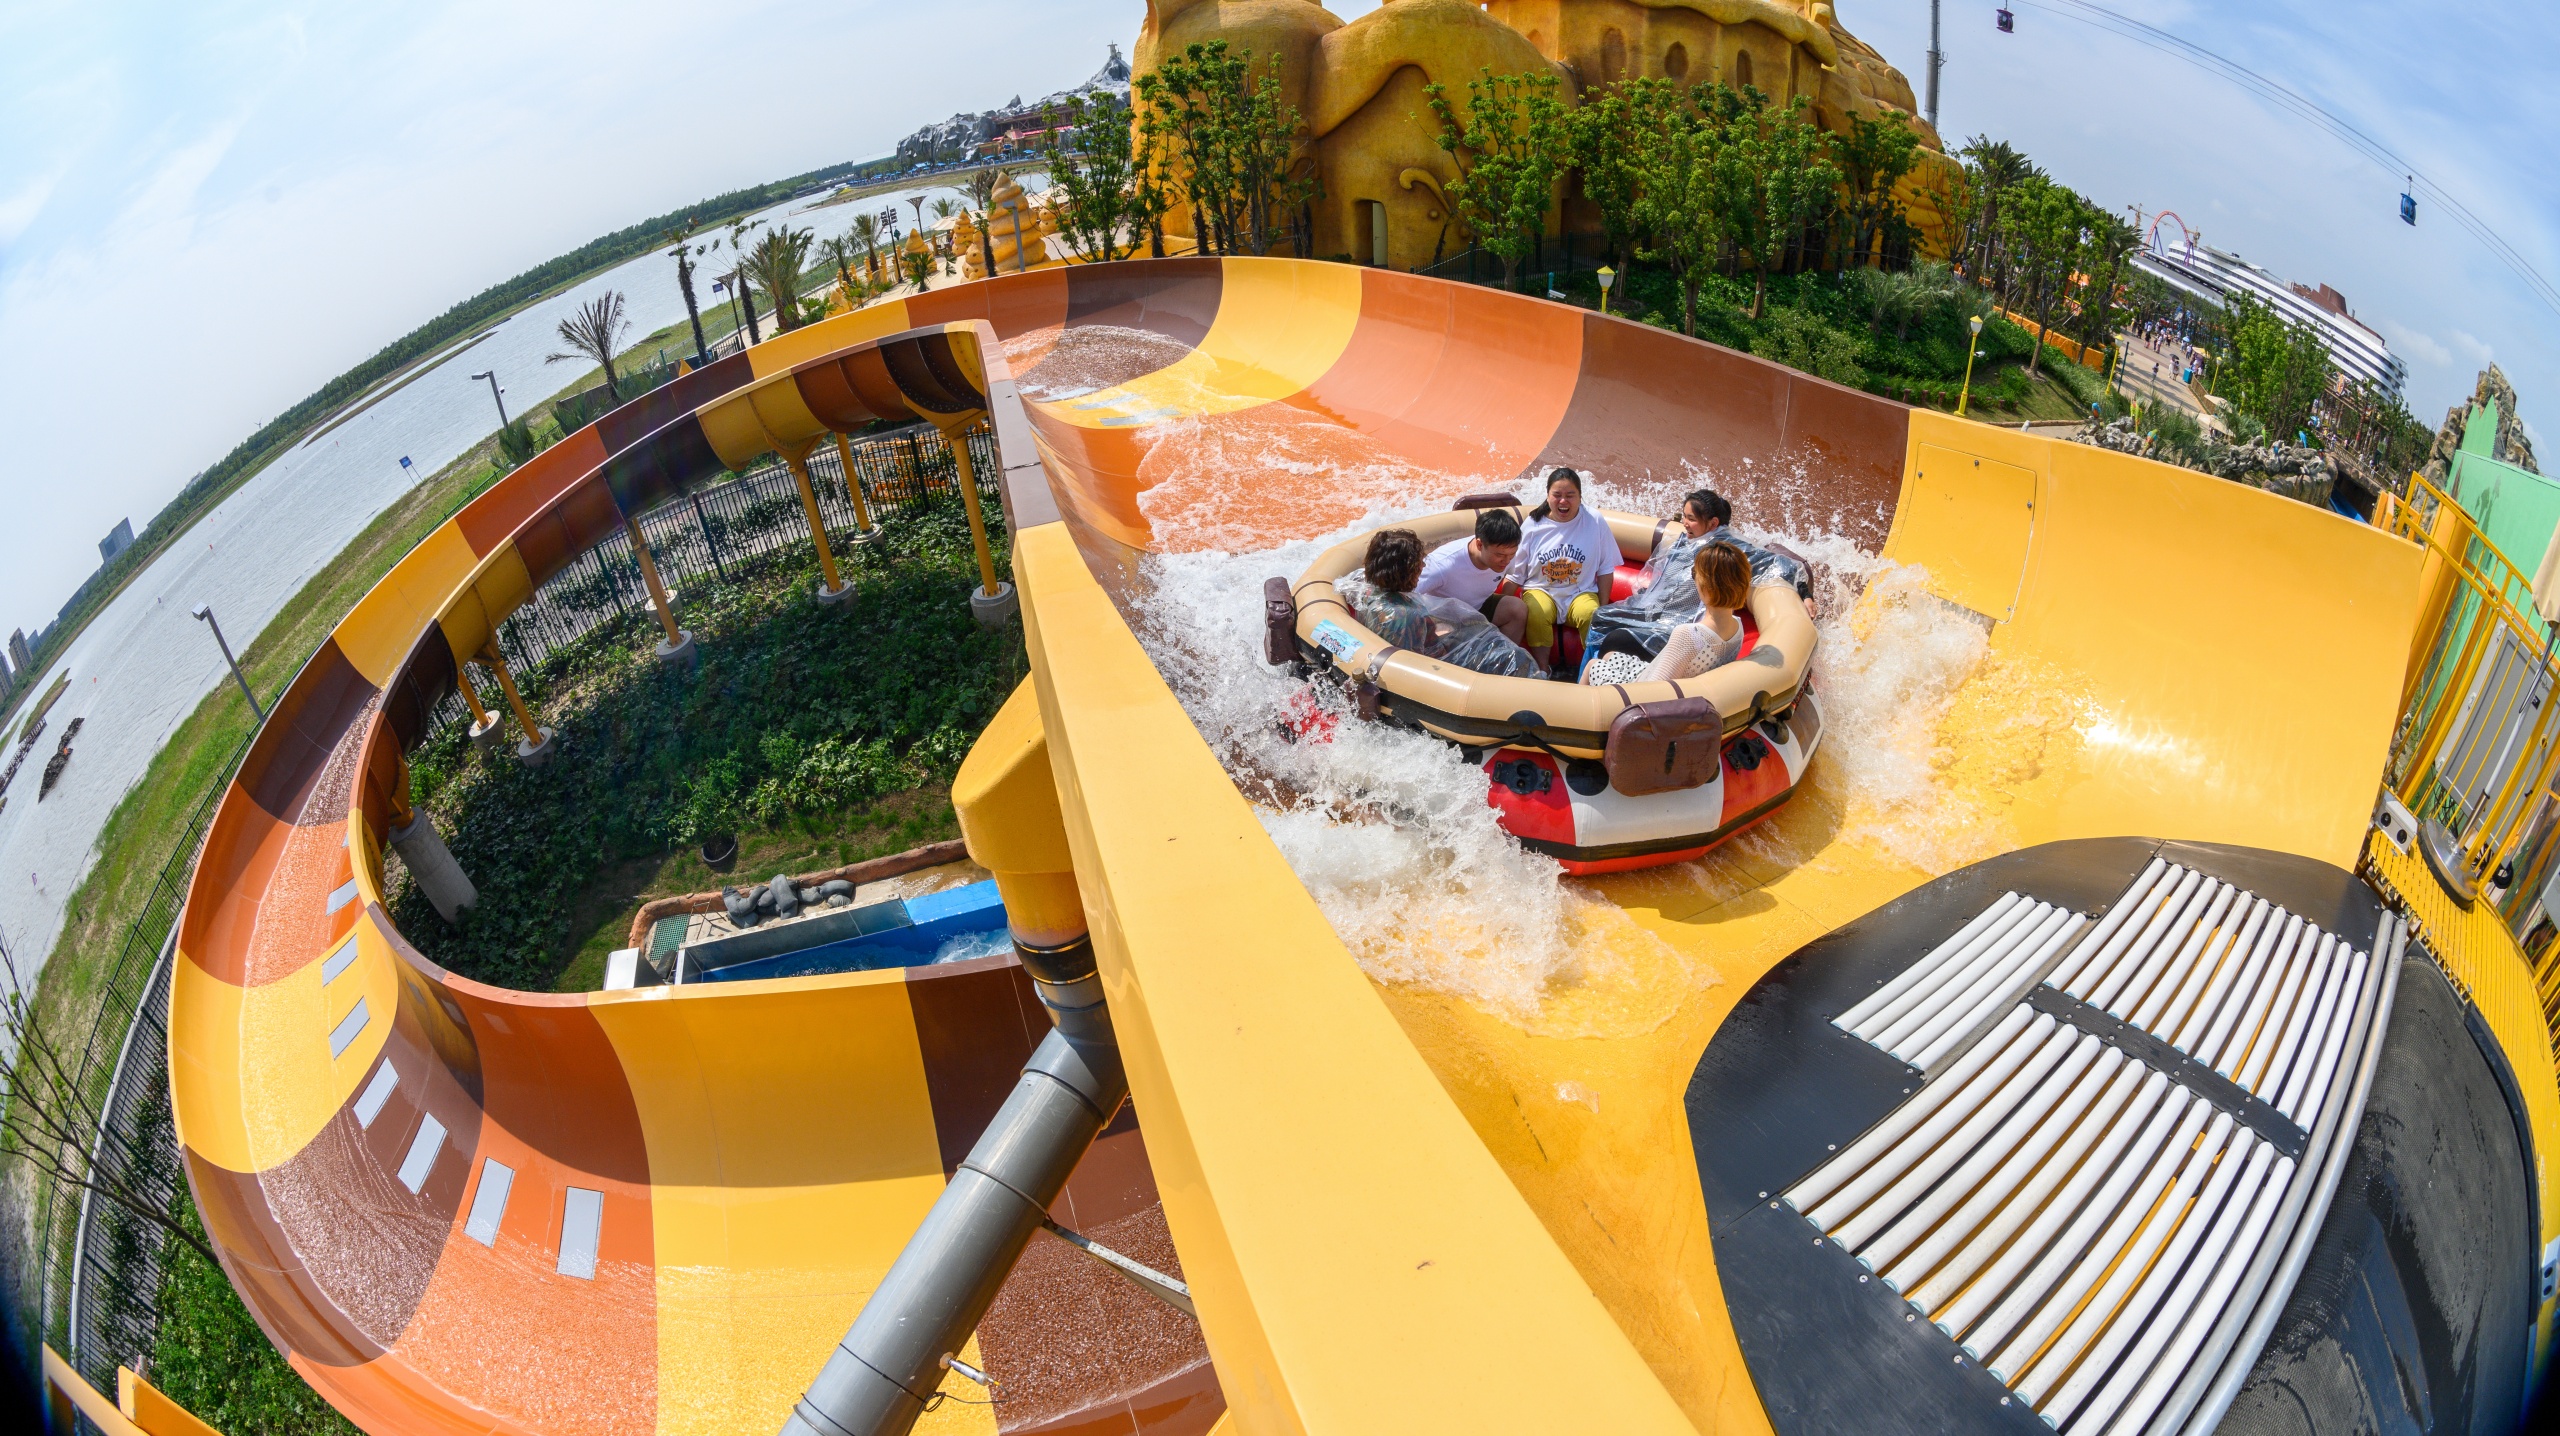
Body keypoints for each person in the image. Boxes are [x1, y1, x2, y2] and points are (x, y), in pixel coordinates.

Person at [1350, 528, 1540, 678]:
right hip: (1444, 674)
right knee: (1517, 659)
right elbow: (1420, 664)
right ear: (1404, 570)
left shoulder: (1367, 592)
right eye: (1418, 564)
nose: (1423, 566)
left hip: (1432, 659)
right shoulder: (1406, 615)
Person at [1585, 543, 1751, 685]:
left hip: (1641, 693)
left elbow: (1652, 691)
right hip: (1678, 688)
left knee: (1592, 665)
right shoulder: (1737, 628)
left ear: (1707, 586)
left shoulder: (1688, 635)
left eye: (1695, 574)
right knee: (1609, 655)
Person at [1510, 467, 1618, 673]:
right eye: (1557, 495)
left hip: (1580, 592)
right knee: (1536, 611)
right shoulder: (1533, 524)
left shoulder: (1594, 520)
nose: (1563, 501)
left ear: (1580, 497)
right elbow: (1516, 572)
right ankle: (1542, 670)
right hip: (1541, 590)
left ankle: (1592, 672)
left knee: (1590, 614)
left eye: (1570, 495)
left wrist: (1603, 608)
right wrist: (1495, 606)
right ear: (1548, 496)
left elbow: (1605, 568)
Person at [1416, 508, 1528, 645]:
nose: (1506, 561)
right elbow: (1406, 596)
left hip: (1477, 609)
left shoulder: (1508, 553)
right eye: (1499, 555)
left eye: (1511, 555)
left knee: (1517, 608)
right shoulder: (1442, 565)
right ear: (1480, 544)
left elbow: (1516, 576)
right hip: (1443, 619)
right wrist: (1430, 625)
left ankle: (1505, 657)